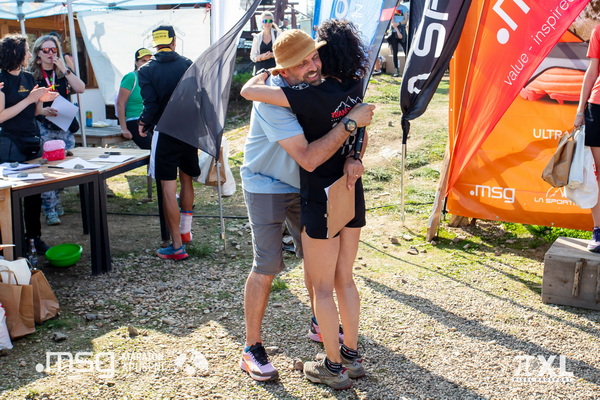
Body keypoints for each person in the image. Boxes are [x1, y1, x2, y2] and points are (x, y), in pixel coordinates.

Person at [239, 27, 374, 388]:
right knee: (267, 265)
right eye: (302, 63)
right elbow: (310, 156)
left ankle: (322, 328)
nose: (313, 66)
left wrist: (355, 158)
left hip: (311, 187)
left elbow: (358, 133)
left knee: (318, 270)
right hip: (268, 183)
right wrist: (350, 123)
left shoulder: (322, 84)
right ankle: (252, 346)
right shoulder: (274, 99)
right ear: (284, 71)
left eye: (315, 56)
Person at [138, 25, 195, 260]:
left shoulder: (146, 70)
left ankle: (177, 247)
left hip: (165, 132)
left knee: (168, 190)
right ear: (174, 42)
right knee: (187, 179)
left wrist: (143, 122)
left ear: (155, 44)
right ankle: (185, 231)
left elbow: (150, 103)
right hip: (188, 130)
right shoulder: (187, 64)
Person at [0, 34, 58, 255]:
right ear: (15, 53)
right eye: (25, 50)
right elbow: (1, 116)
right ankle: (13, 243)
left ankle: (34, 238)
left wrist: (42, 104)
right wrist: (30, 99)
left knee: (34, 194)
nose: (28, 54)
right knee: (12, 196)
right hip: (10, 143)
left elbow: (33, 111)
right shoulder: (2, 80)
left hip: (32, 140)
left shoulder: (28, 77)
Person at [28, 34, 86, 226]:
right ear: (38, 53)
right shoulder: (32, 75)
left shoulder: (62, 73)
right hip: (43, 127)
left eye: (54, 49)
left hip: (64, 126)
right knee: (47, 169)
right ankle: (49, 209)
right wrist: (42, 110)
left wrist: (65, 69)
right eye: (46, 50)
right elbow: (28, 103)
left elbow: (81, 88)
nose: (50, 53)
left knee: (65, 167)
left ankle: (56, 199)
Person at [575, 22, 600, 252]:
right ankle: (599, 231)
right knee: (597, 176)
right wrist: (580, 110)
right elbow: (592, 71)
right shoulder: (599, 30)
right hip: (598, 107)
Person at [117, 48, 152, 149]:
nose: (146, 64)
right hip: (135, 120)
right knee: (152, 149)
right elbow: (120, 103)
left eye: (149, 61)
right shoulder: (131, 77)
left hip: (150, 120)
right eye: (143, 61)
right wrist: (124, 128)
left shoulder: (152, 78)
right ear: (136, 63)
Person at [387, 0, 409, 77]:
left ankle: (408, 69)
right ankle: (396, 69)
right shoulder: (392, 8)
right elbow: (392, 22)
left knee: (406, 50)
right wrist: (397, 32)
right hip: (394, 32)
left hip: (402, 31)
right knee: (394, 52)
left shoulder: (404, 8)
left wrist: (399, 23)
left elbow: (405, 20)